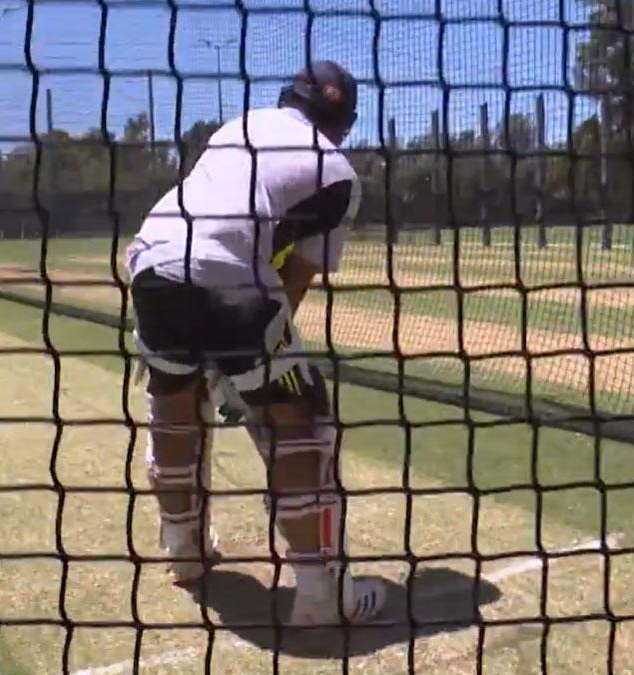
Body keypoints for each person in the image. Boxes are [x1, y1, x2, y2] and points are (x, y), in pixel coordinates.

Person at [126, 61, 385, 627]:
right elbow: (294, 285)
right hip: (231, 273)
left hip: (151, 258)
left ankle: (184, 554)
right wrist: (254, 371)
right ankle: (321, 593)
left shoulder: (238, 126)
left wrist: (225, 369)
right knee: (302, 420)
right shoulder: (339, 171)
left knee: (173, 405)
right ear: (345, 122)